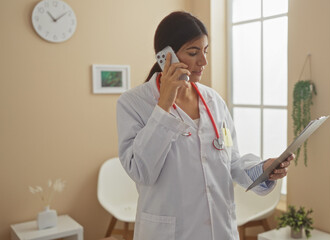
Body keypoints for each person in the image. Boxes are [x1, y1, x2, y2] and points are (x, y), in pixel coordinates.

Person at [116, 11, 294, 240]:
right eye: (193, 52)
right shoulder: (133, 103)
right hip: (171, 233)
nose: (204, 61)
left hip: (219, 230)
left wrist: (263, 169)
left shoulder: (214, 102)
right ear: (165, 56)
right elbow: (141, 172)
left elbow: (232, 161)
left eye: (205, 51)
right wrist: (164, 105)